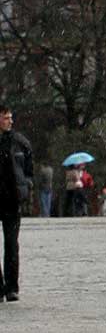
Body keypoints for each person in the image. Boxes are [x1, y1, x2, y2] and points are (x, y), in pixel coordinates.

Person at [0, 106, 33, 302]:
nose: (10, 121)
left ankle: (12, 287)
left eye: (11, 118)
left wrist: (27, 185)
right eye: (6, 118)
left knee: (12, 244)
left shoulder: (20, 142)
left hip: (12, 199)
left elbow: (29, 168)